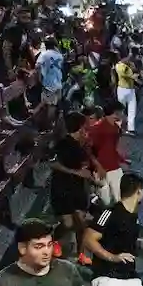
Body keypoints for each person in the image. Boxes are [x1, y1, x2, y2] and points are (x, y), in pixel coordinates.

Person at [49, 111, 97, 260]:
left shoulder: (81, 145)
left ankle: (81, 255)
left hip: (77, 190)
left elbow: (85, 169)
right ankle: (52, 239)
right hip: (62, 188)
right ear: (80, 127)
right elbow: (52, 163)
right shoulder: (63, 144)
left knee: (81, 224)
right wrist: (76, 172)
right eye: (84, 125)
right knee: (68, 224)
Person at [85, 102, 127, 206]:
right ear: (115, 113)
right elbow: (88, 150)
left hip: (114, 166)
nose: (123, 115)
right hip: (100, 169)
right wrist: (98, 167)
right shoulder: (97, 129)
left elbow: (111, 148)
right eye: (121, 112)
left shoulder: (116, 128)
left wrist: (121, 159)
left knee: (121, 198)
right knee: (105, 201)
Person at [35, 36, 65, 124]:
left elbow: (37, 66)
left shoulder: (44, 54)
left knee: (49, 105)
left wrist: (39, 78)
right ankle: (53, 124)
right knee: (55, 105)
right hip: (58, 82)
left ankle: (48, 125)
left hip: (48, 83)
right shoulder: (59, 55)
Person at [113, 51, 140, 135]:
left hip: (130, 90)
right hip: (122, 90)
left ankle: (131, 129)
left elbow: (136, 72)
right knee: (121, 110)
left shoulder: (128, 64)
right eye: (128, 57)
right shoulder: (119, 66)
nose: (129, 59)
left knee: (132, 110)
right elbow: (133, 76)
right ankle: (119, 128)